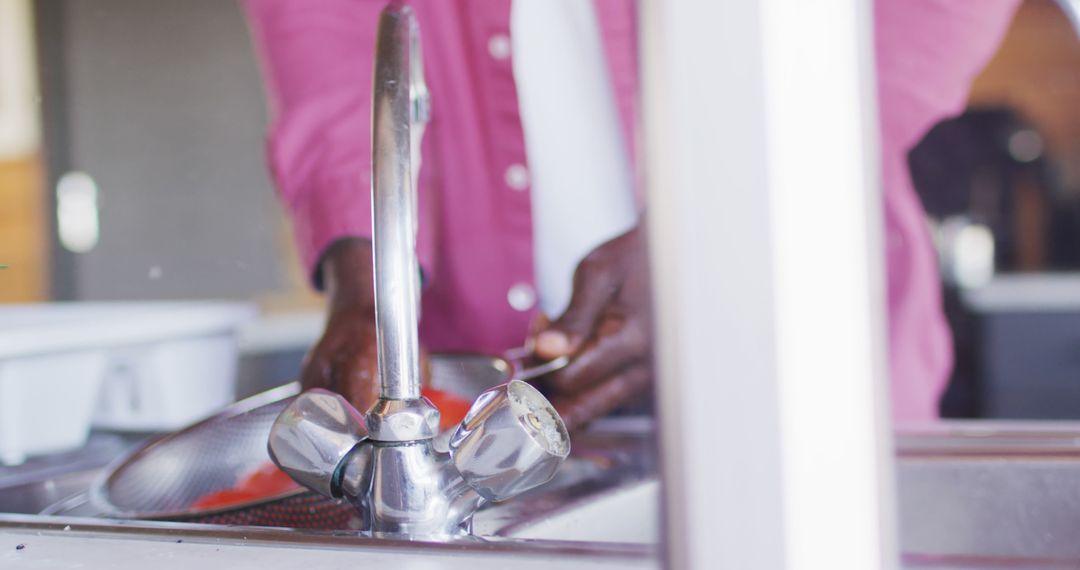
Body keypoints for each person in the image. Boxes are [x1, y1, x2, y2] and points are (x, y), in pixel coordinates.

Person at [241, 0, 1021, 428]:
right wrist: (368, 277)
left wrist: (719, 225)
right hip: (482, 423)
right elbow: (327, 39)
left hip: (804, 387)